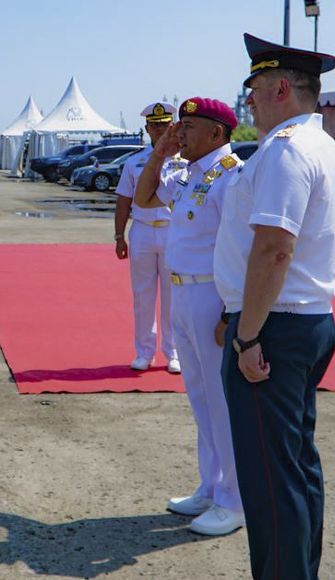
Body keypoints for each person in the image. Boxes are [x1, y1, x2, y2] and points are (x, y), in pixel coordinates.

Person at [214, 34, 335, 579]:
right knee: (294, 468)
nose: (248, 101)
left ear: (282, 89)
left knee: (270, 479)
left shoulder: (287, 150)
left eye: (255, 90)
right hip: (300, 322)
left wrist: (246, 334)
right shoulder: (320, 144)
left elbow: (274, 250)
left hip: (274, 329)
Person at [134, 97, 245, 537]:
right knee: (200, 399)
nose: (180, 133)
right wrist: (160, 154)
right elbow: (144, 198)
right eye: (179, 126)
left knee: (222, 403)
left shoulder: (232, 176)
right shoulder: (188, 174)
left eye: (189, 126)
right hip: (182, 294)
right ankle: (211, 486)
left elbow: (243, 249)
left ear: (217, 133)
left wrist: (231, 312)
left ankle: (233, 500)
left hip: (211, 296)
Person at [114, 102, 182, 373]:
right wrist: (119, 236)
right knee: (143, 295)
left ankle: (173, 352)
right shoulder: (135, 162)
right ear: (147, 129)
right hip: (142, 229)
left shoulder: (184, 161)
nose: (160, 130)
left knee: (172, 296)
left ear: (172, 126)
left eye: (164, 125)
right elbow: (123, 200)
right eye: (155, 126)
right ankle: (144, 352)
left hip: (172, 230)